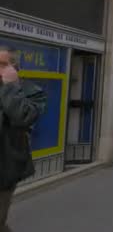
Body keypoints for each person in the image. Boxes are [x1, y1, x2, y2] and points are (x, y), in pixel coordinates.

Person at [0, 47, 47, 232]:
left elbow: (22, 117)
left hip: (5, 168)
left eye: (2, 65)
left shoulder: (32, 91)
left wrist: (10, 87)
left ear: (15, 68)